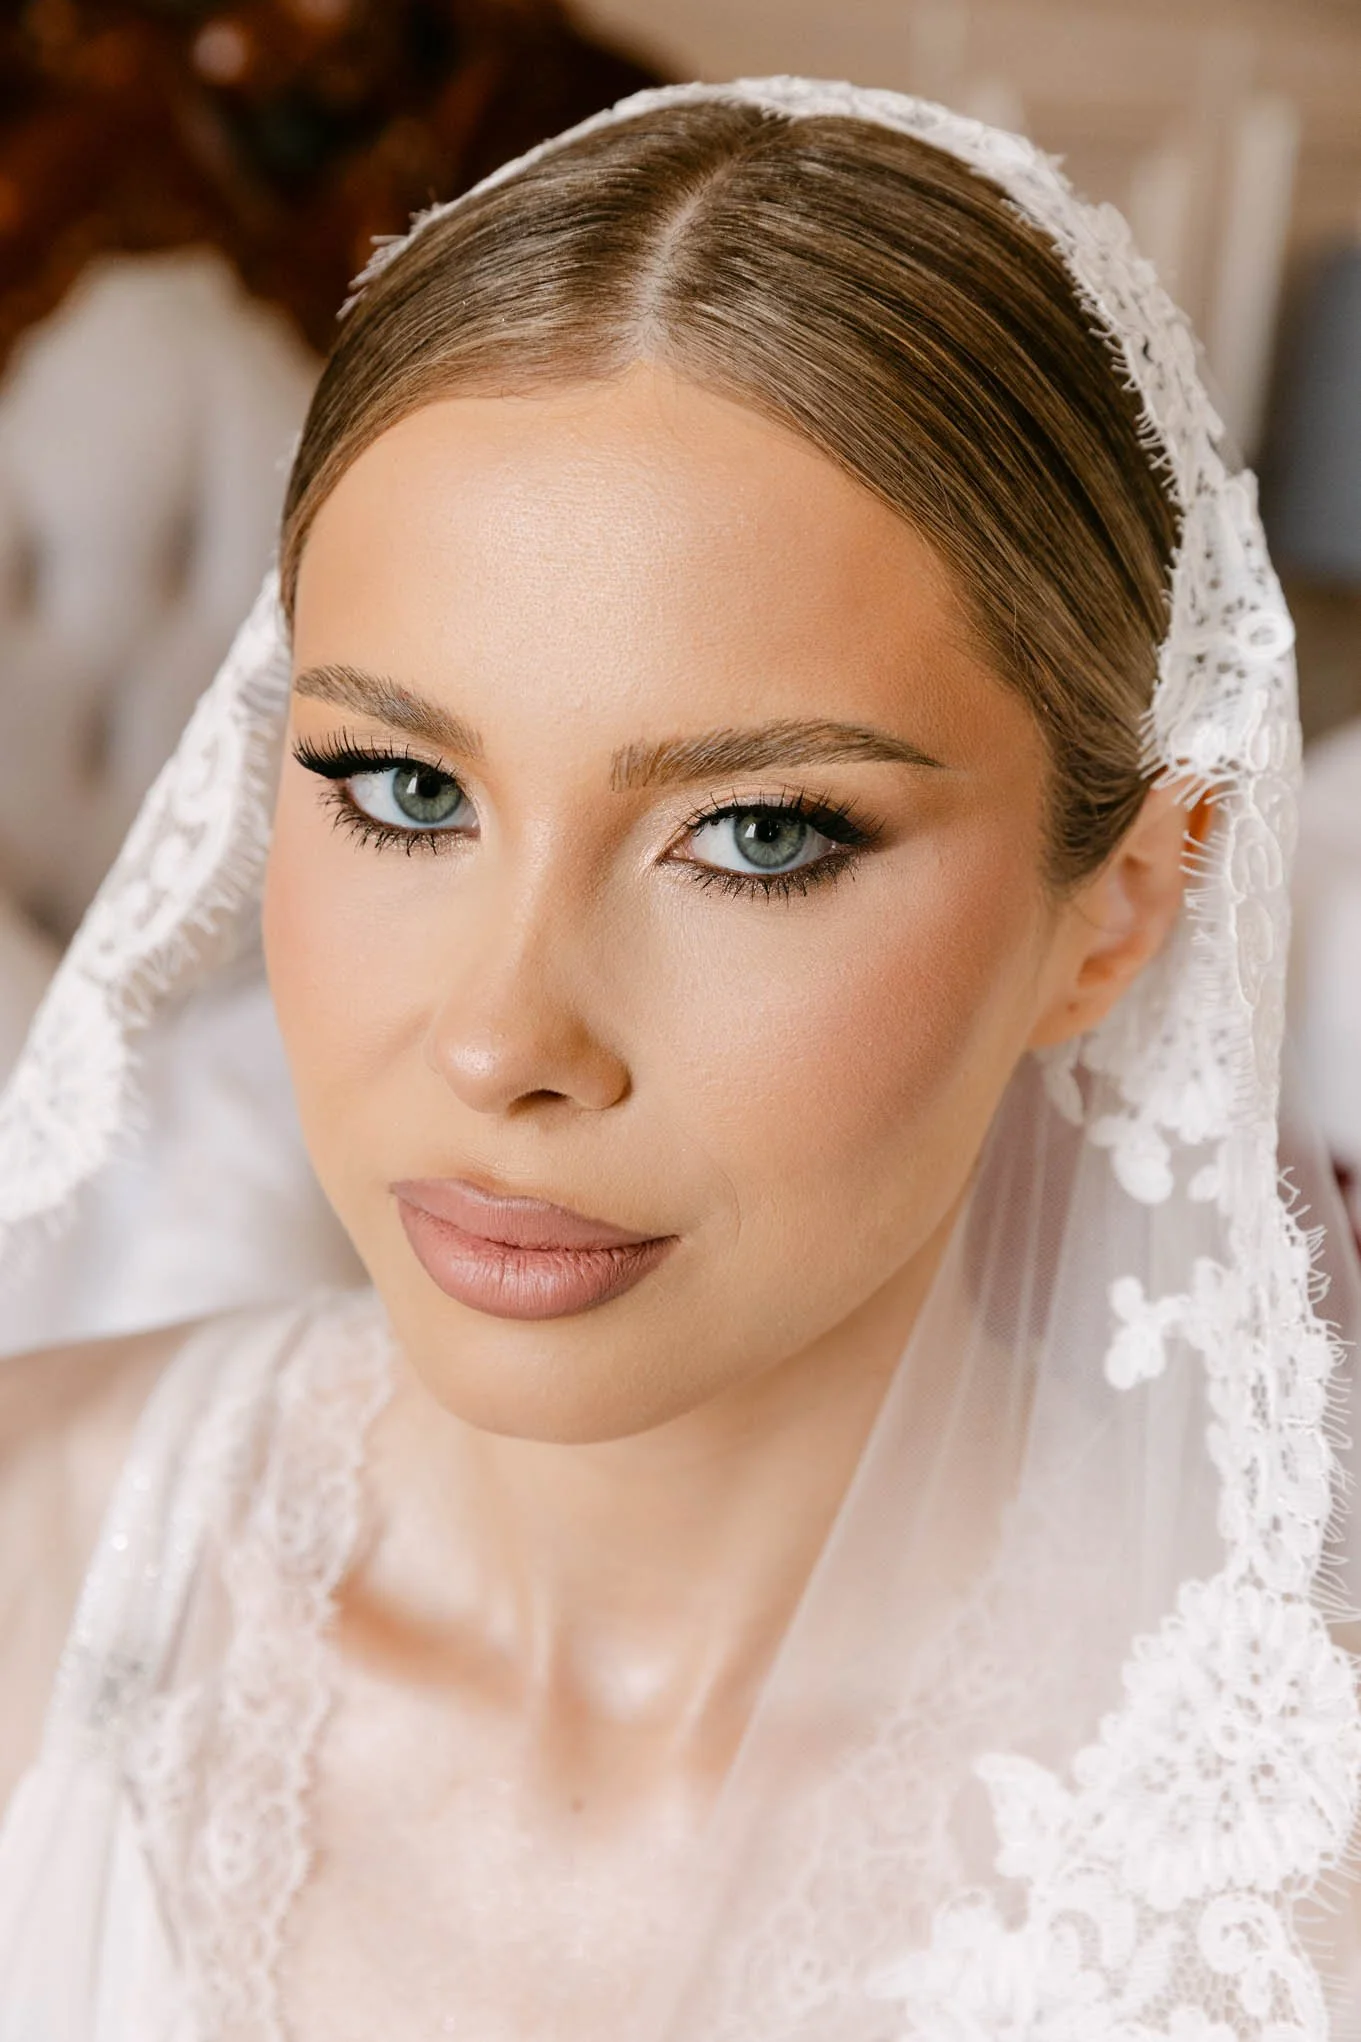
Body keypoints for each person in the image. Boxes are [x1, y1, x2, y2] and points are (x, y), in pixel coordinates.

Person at [0, 78, 1357, 2042]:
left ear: (1121, 906)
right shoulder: (29, 1566)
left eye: (757, 833)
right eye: (399, 786)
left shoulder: (1292, 1892)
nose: (499, 1036)